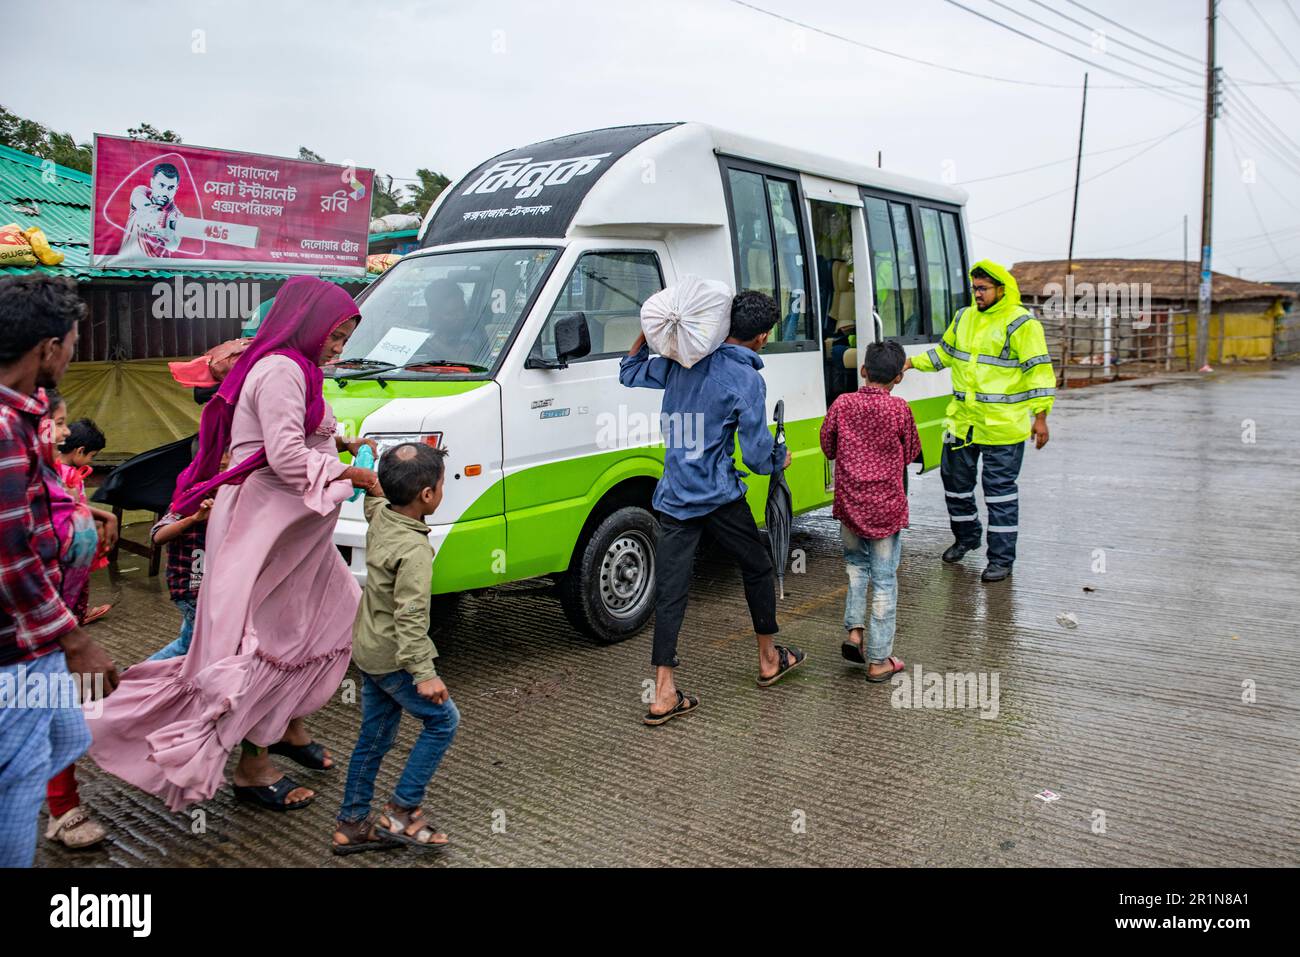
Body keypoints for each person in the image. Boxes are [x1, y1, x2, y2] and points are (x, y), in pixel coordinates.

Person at [88, 276, 379, 813]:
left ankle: (288, 726)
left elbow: (297, 436)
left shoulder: (299, 370)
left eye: (344, 338)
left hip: (294, 537)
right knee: (264, 643)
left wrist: (340, 442)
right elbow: (287, 458)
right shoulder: (281, 371)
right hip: (264, 530)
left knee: (330, 618)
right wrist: (353, 475)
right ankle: (252, 768)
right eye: (335, 336)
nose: (339, 348)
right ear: (307, 323)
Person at [620, 289, 802, 727]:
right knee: (756, 565)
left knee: (671, 589)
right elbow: (758, 458)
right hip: (719, 497)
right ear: (761, 337)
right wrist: (782, 458)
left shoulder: (683, 359)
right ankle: (767, 659)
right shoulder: (746, 379)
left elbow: (629, 372)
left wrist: (653, 331)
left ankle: (663, 692)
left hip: (675, 496)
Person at [0, 275, 118, 867]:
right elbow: (8, 555)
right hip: (15, 648)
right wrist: (72, 640)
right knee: (15, 795)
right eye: (72, 343)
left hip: (29, 642)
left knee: (65, 736)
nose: (73, 355)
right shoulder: (2, 428)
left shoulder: (26, 418)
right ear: (47, 348)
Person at [332, 443, 459, 855]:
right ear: (426, 496)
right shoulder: (415, 551)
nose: (442, 490)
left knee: (374, 736)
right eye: (440, 484)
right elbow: (410, 618)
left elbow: (375, 495)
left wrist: (376, 461)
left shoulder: (381, 515)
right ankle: (403, 811)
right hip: (393, 657)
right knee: (443, 722)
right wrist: (425, 673)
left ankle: (351, 823)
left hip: (367, 647)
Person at [906, 260, 1056, 583]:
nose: (978, 294)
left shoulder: (1022, 324)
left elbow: (1039, 374)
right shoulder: (963, 317)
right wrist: (908, 364)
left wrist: (1040, 418)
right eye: (975, 288)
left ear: (1001, 289)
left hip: (1003, 428)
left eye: (983, 289)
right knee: (955, 485)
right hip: (962, 423)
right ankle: (967, 537)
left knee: (999, 493)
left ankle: (1001, 559)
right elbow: (943, 355)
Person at [820, 341, 920, 682]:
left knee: (855, 569)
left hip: (850, 505)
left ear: (862, 370)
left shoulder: (842, 403)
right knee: (884, 580)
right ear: (898, 378)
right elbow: (911, 453)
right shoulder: (900, 410)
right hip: (885, 509)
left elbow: (827, 446)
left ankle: (855, 632)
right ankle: (878, 660)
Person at [146, 491, 216, 662]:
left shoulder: (232, 501)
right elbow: (158, 536)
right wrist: (194, 518)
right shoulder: (188, 502)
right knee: (191, 643)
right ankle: (136, 675)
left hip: (212, 588)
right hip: (189, 588)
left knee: (189, 640)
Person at [119, 162, 182, 258]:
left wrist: (167, 234)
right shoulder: (141, 191)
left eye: (170, 188)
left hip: (158, 269)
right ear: (152, 182)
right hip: (127, 265)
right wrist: (158, 216)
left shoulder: (177, 215)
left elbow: (174, 247)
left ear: (176, 189)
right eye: (161, 185)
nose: (165, 192)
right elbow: (142, 204)